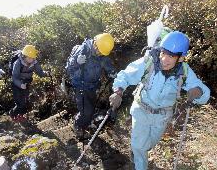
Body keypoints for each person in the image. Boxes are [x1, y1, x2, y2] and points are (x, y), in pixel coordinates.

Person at [109, 31, 210, 170]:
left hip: (162, 116)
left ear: (180, 58)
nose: (164, 59)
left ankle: (138, 150)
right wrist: (118, 92)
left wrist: (199, 92)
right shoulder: (148, 62)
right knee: (139, 146)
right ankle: (139, 158)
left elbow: (204, 94)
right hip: (141, 110)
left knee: (149, 144)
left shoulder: (184, 72)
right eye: (164, 53)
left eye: (171, 56)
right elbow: (126, 75)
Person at [66, 33, 117, 138]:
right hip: (80, 85)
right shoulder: (82, 50)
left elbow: (107, 63)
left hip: (92, 86)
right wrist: (76, 62)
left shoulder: (102, 52)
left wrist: (112, 72)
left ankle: (85, 122)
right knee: (86, 110)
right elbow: (68, 69)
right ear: (95, 44)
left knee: (91, 108)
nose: (99, 54)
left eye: (101, 53)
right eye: (98, 51)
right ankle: (78, 126)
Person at [10, 45, 50, 122]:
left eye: (33, 58)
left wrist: (46, 74)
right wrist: (20, 85)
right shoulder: (18, 63)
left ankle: (20, 116)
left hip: (27, 83)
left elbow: (40, 72)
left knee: (25, 101)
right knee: (19, 102)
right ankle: (12, 114)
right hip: (16, 84)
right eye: (29, 58)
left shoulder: (34, 62)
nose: (31, 59)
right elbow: (14, 77)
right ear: (24, 56)